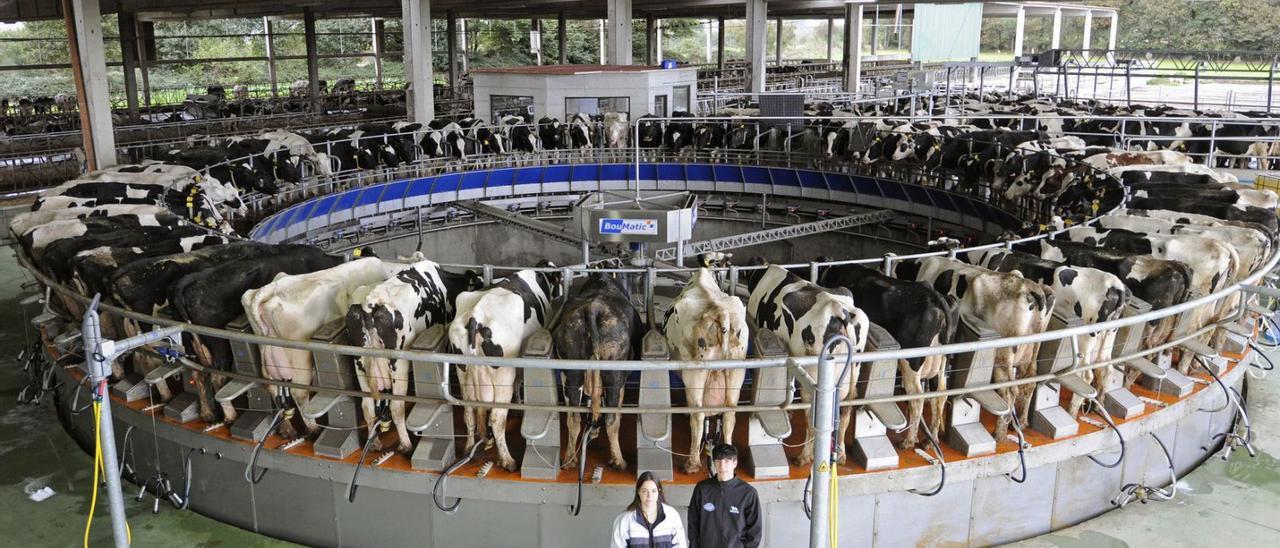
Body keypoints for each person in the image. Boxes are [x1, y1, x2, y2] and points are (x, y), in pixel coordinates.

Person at [687, 444, 761, 548]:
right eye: (718, 461)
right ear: (714, 463)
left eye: (727, 461)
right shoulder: (702, 489)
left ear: (735, 463)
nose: (722, 466)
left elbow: (755, 532)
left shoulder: (748, 493)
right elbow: (693, 525)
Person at [611, 471, 687, 548]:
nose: (649, 496)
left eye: (653, 491)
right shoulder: (624, 520)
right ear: (638, 492)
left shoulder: (672, 516)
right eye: (644, 491)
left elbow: (680, 545)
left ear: (659, 491)